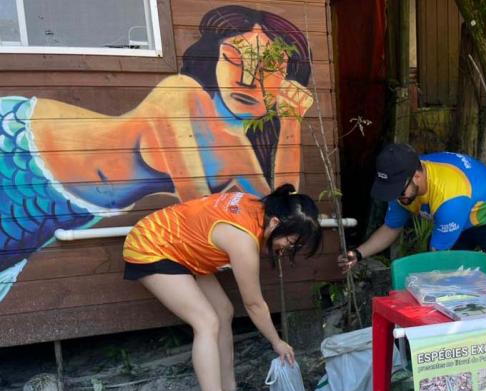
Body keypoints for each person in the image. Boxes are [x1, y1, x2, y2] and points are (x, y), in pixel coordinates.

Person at [1, 5, 314, 303]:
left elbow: (284, 204)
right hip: (20, 152)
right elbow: (196, 207)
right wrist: (236, 249)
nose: (248, 79)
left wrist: (291, 120)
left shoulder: (237, 149)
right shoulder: (180, 95)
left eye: (269, 68)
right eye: (234, 58)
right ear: (213, 59)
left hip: (67, 208)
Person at [122, 185, 321, 391]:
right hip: (151, 245)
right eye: (289, 242)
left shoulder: (258, 207)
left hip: (180, 245)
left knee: (223, 310)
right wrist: (277, 341)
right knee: (206, 322)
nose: (286, 249)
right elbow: (254, 304)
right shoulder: (243, 239)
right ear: (274, 222)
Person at [337, 144, 486, 280]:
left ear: (417, 176)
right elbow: (391, 228)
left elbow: (436, 259)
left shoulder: (448, 197)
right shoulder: (403, 183)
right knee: (452, 280)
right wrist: (358, 254)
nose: (396, 197)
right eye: (390, 191)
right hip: (460, 215)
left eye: (398, 191)